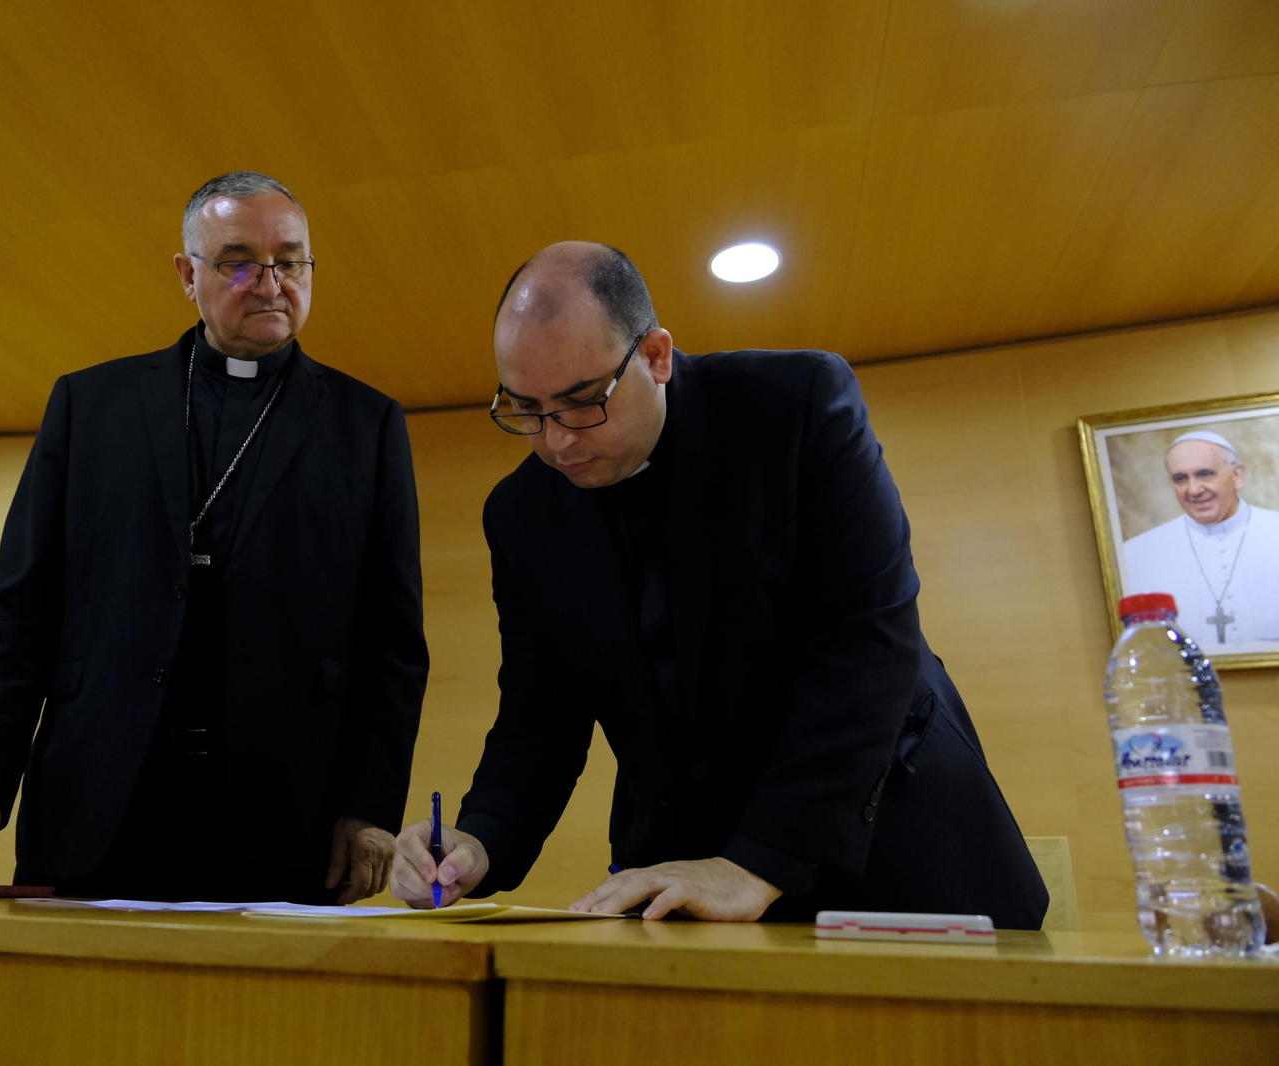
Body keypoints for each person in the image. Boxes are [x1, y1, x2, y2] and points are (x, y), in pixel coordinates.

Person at [392, 242, 1047, 927]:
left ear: (655, 357)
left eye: (582, 402)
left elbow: (868, 642)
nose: (556, 441)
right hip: (686, 870)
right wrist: (479, 839)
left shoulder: (795, 407)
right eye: (525, 409)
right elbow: (539, 716)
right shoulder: (523, 513)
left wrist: (760, 862)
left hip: (892, 842)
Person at [0, 172, 428, 903]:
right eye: (239, 261)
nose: (271, 282)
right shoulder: (90, 406)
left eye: (292, 260)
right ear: (188, 274)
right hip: (97, 801)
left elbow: (392, 643)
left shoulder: (366, 425)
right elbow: (16, 615)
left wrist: (368, 807)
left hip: (286, 813)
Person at [1122, 431, 1279, 648]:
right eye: (1181, 479)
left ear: (1237, 476)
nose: (1194, 490)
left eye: (1205, 474)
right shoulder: (1136, 553)